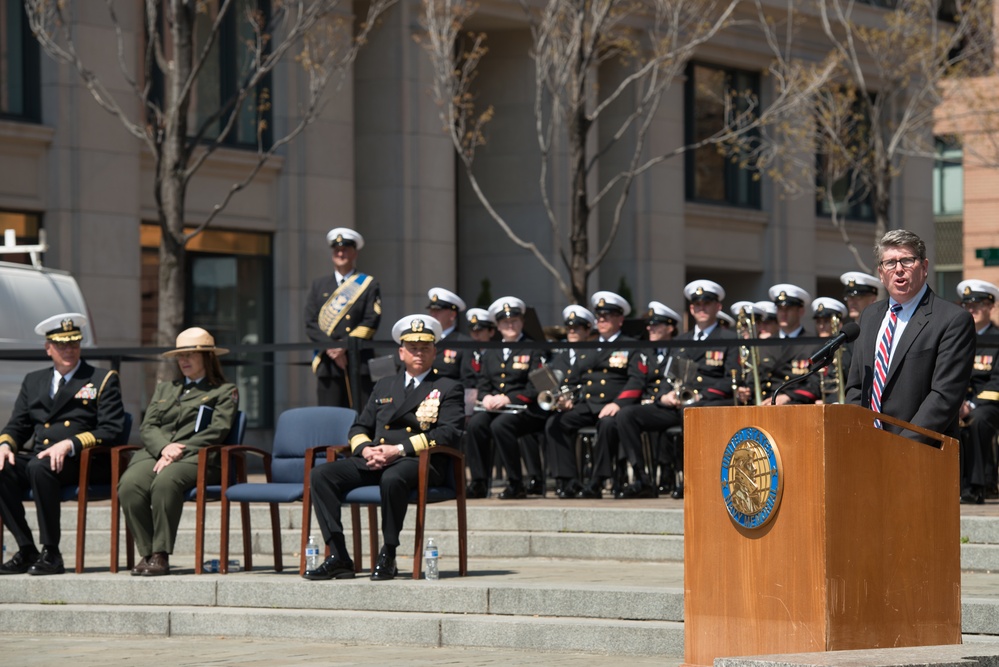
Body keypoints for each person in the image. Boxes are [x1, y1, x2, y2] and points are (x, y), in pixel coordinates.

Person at [306, 314, 465, 581]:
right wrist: (366, 449)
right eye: (412, 348)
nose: (419, 353)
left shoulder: (447, 387)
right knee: (321, 475)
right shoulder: (384, 385)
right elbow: (359, 427)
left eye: (425, 348)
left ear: (434, 351)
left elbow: (449, 432)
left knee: (392, 478)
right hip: (377, 458)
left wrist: (399, 449)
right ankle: (338, 555)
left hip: (419, 461)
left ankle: (388, 553)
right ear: (401, 352)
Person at [0, 313, 126, 575]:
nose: (69, 350)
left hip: (82, 460)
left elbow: (111, 429)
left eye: (74, 344)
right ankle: (26, 549)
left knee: (39, 466)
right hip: (41, 457)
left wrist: (69, 444)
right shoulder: (34, 381)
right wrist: (5, 445)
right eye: (61, 345)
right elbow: (18, 425)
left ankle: (52, 552)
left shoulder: (101, 378)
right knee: (3, 468)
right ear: (48, 349)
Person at [117, 328, 238, 576]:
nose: (183, 361)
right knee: (129, 484)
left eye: (190, 355)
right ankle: (148, 552)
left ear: (207, 358)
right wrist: (164, 448)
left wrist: (177, 451)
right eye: (180, 356)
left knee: (165, 482)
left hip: (198, 457)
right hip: (156, 453)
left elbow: (218, 431)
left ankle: (161, 554)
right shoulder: (165, 389)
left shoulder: (224, 391)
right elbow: (148, 426)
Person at [845, 229, 975, 443]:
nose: (898, 270)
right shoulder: (869, 315)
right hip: (866, 446)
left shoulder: (952, 320)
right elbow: (857, 386)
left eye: (907, 261)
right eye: (890, 263)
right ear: (880, 272)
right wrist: (858, 431)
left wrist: (900, 446)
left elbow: (944, 397)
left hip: (920, 453)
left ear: (924, 267)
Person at [545, 291, 645, 499]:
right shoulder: (588, 347)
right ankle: (569, 479)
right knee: (555, 423)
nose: (602, 321)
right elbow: (574, 378)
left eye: (607, 316)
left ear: (620, 319)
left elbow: (637, 380)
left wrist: (619, 403)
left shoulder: (630, 345)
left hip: (614, 406)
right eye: (599, 317)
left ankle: (598, 481)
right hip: (589, 404)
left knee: (608, 424)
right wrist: (565, 399)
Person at [466, 297, 546, 499]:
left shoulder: (534, 348)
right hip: (495, 407)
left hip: (524, 408)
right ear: (498, 326)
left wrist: (509, 398)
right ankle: (479, 482)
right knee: (476, 424)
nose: (510, 326)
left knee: (501, 426)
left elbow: (538, 386)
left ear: (522, 322)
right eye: (505, 322)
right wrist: (485, 398)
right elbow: (483, 383)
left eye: (515, 321)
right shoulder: (491, 351)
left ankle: (515, 483)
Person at [304, 227, 382, 409]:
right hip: (328, 364)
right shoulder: (319, 285)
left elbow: (372, 320)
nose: (341, 253)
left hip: (358, 361)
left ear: (354, 253)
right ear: (332, 254)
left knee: (361, 416)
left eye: (346, 249)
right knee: (328, 418)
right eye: (337, 250)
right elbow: (310, 322)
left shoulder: (369, 284)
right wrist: (332, 347)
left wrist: (345, 346)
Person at [612, 301, 682, 498]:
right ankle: (641, 477)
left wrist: (669, 396)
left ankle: (676, 475)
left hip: (674, 406)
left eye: (656, 325)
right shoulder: (644, 352)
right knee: (626, 415)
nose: (650, 328)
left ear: (670, 327)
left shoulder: (680, 349)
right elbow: (637, 380)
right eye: (649, 324)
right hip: (653, 406)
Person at [956, 279, 999, 503]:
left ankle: (975, 487)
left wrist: (971, 404)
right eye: (967, 305)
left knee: (977, 420)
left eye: (977, 304)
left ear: (990, 306)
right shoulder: (956, 338)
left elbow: (997, 380)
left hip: (988, 404)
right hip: (958, 401)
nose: (971, 310)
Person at [767, 283, 821, 405]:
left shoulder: (813, 343)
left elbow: (815, 383)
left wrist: (788, 396)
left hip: (796, 405)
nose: (783, 314)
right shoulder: (766, 344)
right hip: (765, 404)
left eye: (788, 309)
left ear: (801, 311)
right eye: (780, 309)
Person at [426, 287, 475, 387]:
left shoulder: (464, 343)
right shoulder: (425, 339)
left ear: (452, 314)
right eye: (431, 310)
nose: (433, 314)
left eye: (438, 310)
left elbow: (468, 381)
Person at [811, 297, 850, 404]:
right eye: (819, 322)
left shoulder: (849, 348)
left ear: (839, 324)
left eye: (826, 322)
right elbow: (813, 382)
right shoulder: (816, 350)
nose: (822, 326)